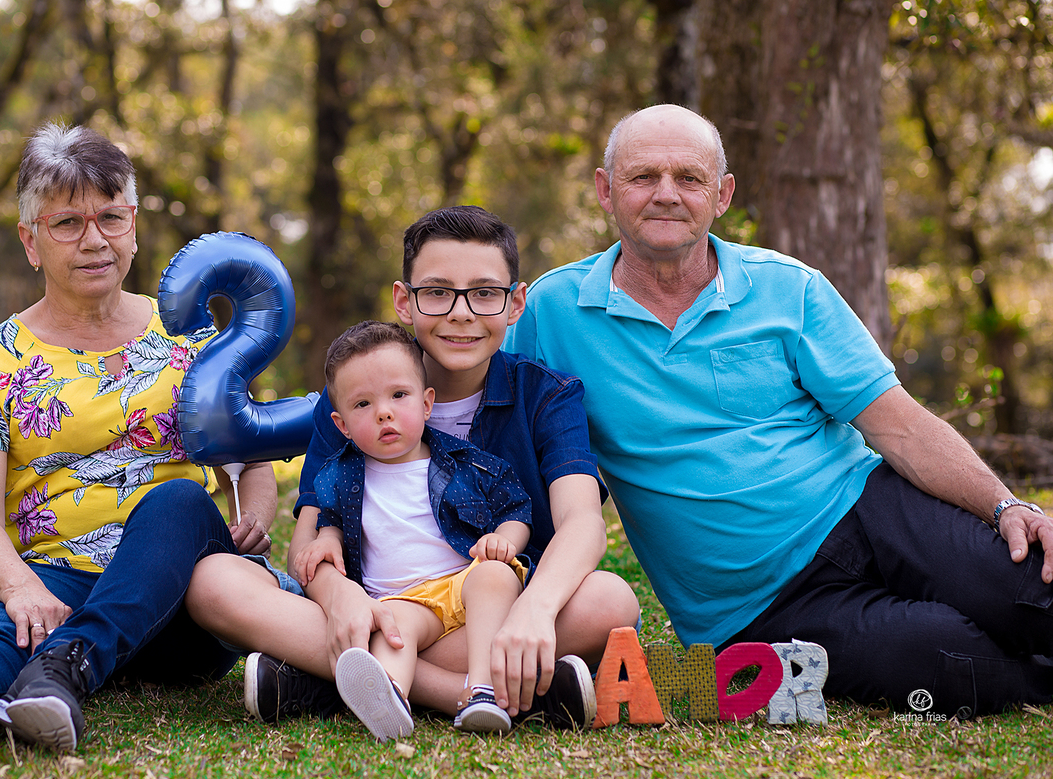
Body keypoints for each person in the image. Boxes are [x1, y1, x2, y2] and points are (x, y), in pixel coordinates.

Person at [505, 103, 1053, 718]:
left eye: (689, 178)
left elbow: (900, 427)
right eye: (643, 177)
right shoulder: (552, 312)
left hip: (867, 506)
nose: (666, 194)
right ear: (606, 191)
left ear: (722, 195)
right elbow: (501, 433)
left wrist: (1005, 505)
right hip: (758, 608)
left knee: (1026, 587)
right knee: (946, 657)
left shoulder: (789, 288)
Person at [0, 121, 277, 767]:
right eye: (67, 223)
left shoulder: (192, 338)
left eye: (110, 217)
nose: (94, 239)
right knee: (2, 642)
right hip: (52, 577)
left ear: (133, 227)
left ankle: (65, 663)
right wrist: (19, 587)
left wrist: (254, 516)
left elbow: (250, 460)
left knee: (178, 501)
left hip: (182, 601)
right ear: (30, 241)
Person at [187, 205, 640, 728]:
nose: (461, 313)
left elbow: (582, 523)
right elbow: (307, 542)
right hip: (376, 607)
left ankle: (336, 681)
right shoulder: (356, 396)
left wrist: (536, 608)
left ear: (515, 303)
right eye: (438, 292)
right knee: (213, 581)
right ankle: (474, 692)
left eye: (485, 293)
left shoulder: (547, 396)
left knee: (610, 601)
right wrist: (339, 596)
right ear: (405, 301)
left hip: (494, 611)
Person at [300, 320, 535, 740]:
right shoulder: (338, 475)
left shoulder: (466, 463)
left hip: (465, 584)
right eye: (363, 404)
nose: (384, 412)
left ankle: (483, 690)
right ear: (342, 425)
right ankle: (389, 696)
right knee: (391, 632)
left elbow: (516, 507)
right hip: (403, 602)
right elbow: (330, 520)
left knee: (496, 575)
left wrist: (505, 540)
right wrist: (327, 541)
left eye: (398, 395)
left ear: (427, 403)